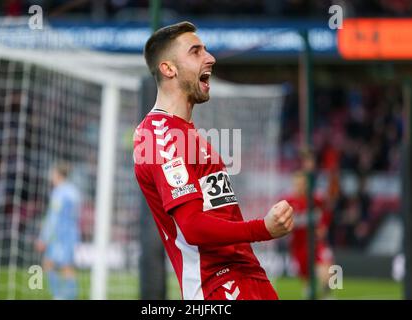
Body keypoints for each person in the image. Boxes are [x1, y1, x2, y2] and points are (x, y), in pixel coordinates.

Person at [134, 21, 294, 300]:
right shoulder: (160, 135)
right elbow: (192, 225)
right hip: (218, 285)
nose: (210, 58)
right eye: (195, 52)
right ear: (168, 69)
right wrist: (263, 228)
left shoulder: (186, 133)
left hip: (247, 275)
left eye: (206, 50)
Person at [283, 171, 334, 299]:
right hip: (298, 246)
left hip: (316, 243)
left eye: (302, 183)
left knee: (326, 272)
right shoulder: (288, 202)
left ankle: (327, 296)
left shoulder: (315, 199)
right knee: (307, 283)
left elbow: (327, 211)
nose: (299, 186)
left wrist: (323, 225)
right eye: (297, 184)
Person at [35, 162, 81, 300]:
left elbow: (54, 217)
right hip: (71, 233)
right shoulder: (73, 191)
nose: (51, 177)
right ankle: (61, 295)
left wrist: (43, 238)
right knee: (51, 263)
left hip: (61, 235)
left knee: (63, 266)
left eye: (53, 174)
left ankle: (65, 296)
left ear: (58, 175)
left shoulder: (59, 192)